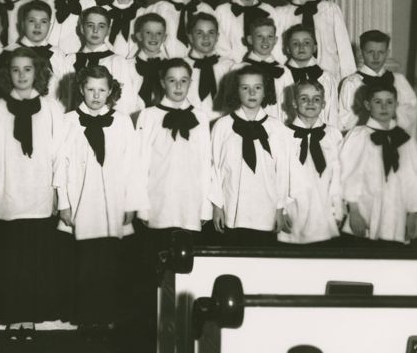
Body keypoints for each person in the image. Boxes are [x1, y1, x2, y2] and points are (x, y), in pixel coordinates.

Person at [56, 65, 147, 331]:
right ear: (81, 90)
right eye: (90, 89)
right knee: (84, 263)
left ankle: (107, 319)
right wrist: (63, 202)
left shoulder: (121, 121)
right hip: (82, 198)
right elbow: (60, 164)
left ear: (111, 91)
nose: (96, 96)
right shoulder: (68, 121)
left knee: (110, 261)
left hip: (113, 201)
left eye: (102, 90)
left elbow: (132, 164)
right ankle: (85, 319)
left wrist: (131, 203)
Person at [0, 47, 67, 338]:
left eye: (27, 69)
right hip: (5, 194)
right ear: (8, 74)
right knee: (10, 262)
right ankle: (12, 318)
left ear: (38, 72)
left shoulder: (52, 107)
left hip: (39, 194)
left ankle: (29, 318)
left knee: (34, 262)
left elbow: (60, 154)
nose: (21, 75)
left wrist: (59, 192)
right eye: (16, 70)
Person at [340, 85, 417, 244]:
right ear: (368, 105)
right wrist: (353, 211)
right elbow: (348, 174)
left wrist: (411, 215)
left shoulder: (404, 139)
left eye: (389, 102)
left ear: (396, 105)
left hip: (397, 211)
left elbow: (415, 178)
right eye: (377, 101)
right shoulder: (358, 136)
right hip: (365, 210)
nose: (384, 107)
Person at [209, 66, 292, 246]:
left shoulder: (276, 128)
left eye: (258, 87)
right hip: (233, 209)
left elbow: (283, 172)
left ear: (265, 91)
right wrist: (217, 207)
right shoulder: (222, 126)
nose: (252, 92)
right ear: (236, 91)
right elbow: (214, 169)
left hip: (266, 209)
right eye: (245, 88)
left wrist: (280, 208)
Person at [137, 59, 213, 238]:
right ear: (163, 83)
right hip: (158, 202)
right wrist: (142, 208)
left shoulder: (200, 117)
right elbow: (140, 164)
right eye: (172, 80)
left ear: (190, 83)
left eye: (184, 80)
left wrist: (205, 209)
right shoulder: (148, 116)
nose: (178, 86)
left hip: (190, 202)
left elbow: (205, 163)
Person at [276, 80, 343, 245]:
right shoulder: (283, 135)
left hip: (325, 211)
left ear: (324, 104)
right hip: (293, 212)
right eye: (304, 98)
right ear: (294, 103)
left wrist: (338, 210)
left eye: (316, 99)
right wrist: (281, 210)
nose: (311, 103)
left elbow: (338, 176)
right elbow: (279, 176)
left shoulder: (333, 135)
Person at [274, 0, 356, 84]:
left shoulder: (330, 9)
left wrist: (348, 82)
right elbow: (278, 51)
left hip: (328, 75)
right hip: (293, 76)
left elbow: (344, 49)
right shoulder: (281, 13)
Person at [338, 29, 417, 137]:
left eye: (381, 52)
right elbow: (345, 121)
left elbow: (410, 112)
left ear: (387, 53)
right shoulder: (352, 84)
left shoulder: (398, 81)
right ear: (361, 53)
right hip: (363, 143)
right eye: (370, 52)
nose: (376, 57)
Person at [273, 25, 340, 129]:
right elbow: (275, 112)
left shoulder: (326, 77)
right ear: (288, 49)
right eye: (295, 43)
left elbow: (332, 114)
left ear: (314, 48)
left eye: (307, 43)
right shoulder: (279, 77)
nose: (301, 47)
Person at [59, 7, 124, 111]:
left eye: (101, 26)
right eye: (90, 25)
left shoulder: (117, 61)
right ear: (81, 29)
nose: (95, 30)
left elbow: (122, 101)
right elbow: (64, 97)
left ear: (108, 30)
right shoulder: (69, 60)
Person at [9, 0, 72, 104]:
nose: (37, 26)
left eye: (43, 21)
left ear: (49, 25)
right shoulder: (9, 52)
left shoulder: (58, 54)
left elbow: (68, 93)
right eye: (32, 21)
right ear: (22, 24)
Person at [214, 0, 279, 62]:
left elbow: (275, 46)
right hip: (233, 69)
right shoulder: (222, 11)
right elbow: (221, 48)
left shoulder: (269, 10)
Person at [225, 15, 284, 121]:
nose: (265, 41)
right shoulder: (237, 69)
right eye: (259, 36)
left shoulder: (284, 71)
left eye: (270, 36)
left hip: (276, 128)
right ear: (250, 39)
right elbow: (231, 103)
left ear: (275, 40)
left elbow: (288, 107)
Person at [110, 12, 168, 117]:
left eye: (159, 33)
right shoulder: (126, 67)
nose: (153, 37)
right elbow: (122, 103)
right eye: (148, 32)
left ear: (164, 37)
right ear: (139, 36)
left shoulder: (171, 67)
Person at [185, 13, 236, 123]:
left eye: (211, 32)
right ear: (190, 37)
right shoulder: (181, 67)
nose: (206, 37)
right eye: (199, 33)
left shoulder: (230, 67)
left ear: (217, 37)